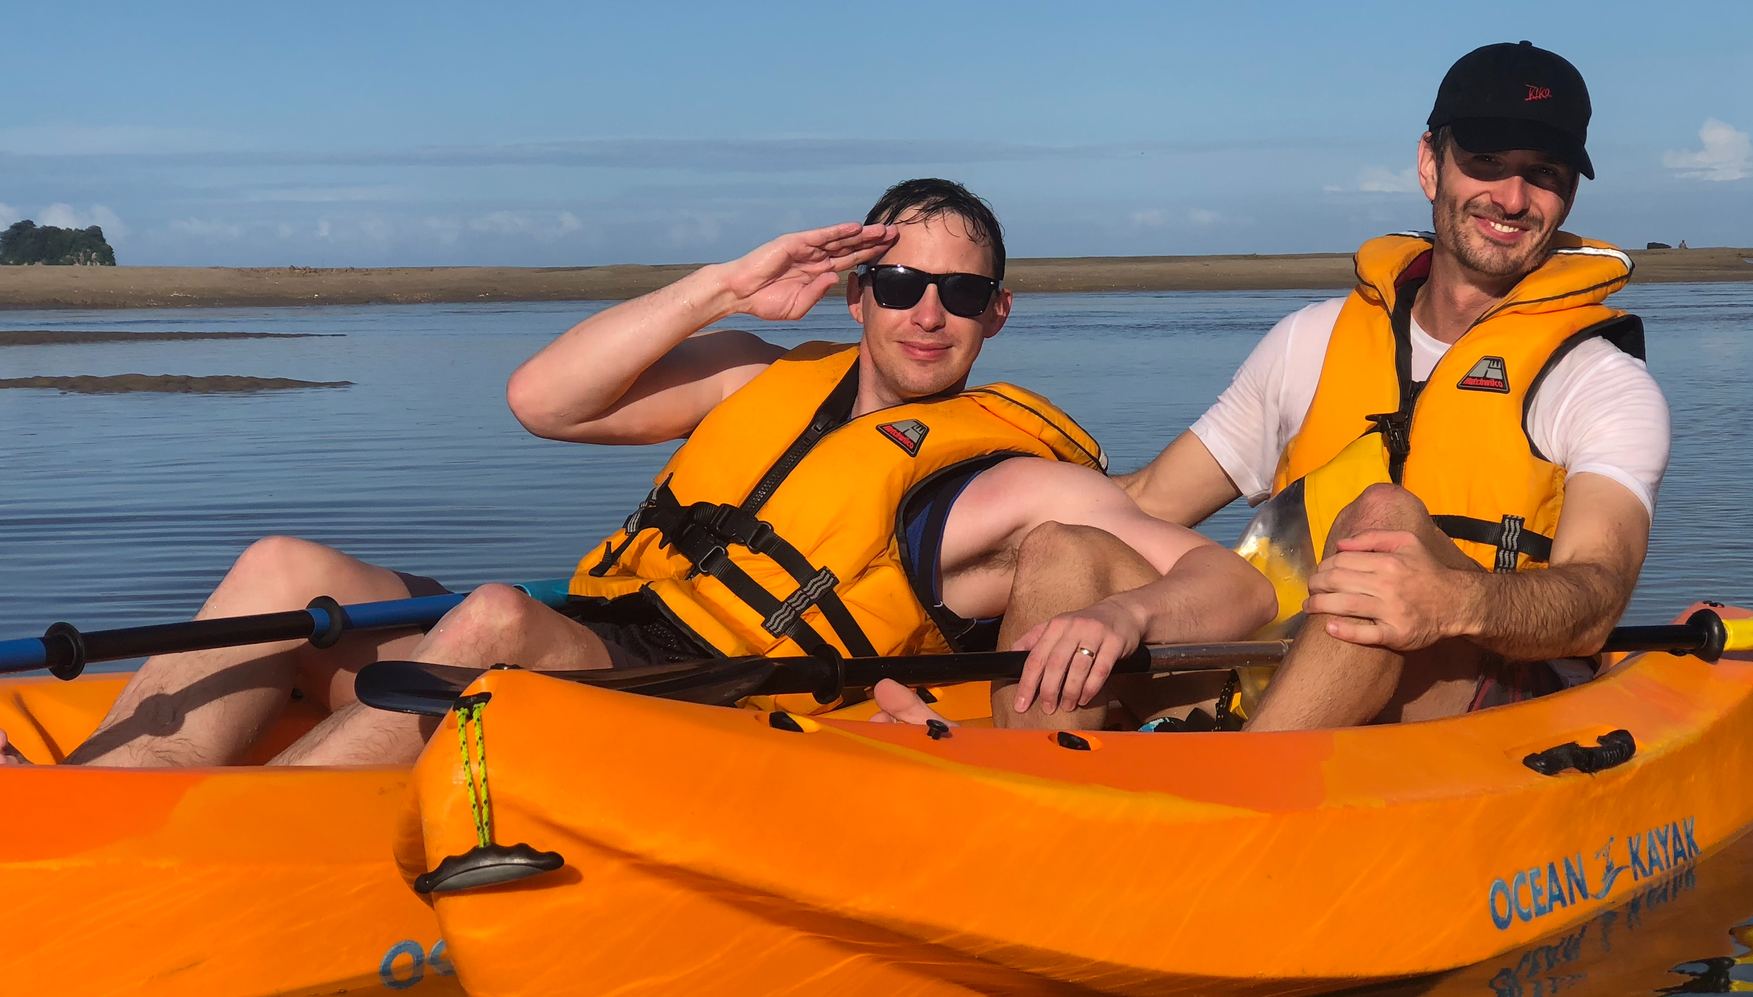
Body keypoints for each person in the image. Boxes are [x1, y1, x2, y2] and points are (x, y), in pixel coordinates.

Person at [19, 179, 1271, 768]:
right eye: (897, 284)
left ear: (997, 315)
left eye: (958, 294)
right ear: (854, 292)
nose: (924, 313)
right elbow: (538, 400)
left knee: (499, 619)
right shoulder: (753, 376)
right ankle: (104, 807)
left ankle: (250, 847)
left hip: (724, 701)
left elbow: (1234, 591)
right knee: (285, 566)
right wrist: (724, 286)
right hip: (615, 635)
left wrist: (1119, 612)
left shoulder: (1015, 480)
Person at [1114, 41, 1670, 732]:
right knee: (1066, 551)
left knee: (1384, 521)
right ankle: (1027, 797)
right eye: (1487, 163)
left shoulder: (1599, 382)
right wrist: (988, 499)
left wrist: (1455, 601)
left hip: (1478, 695)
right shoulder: (1309, 341)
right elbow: (1145, 505)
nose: (1513, 198)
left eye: (1544, 173)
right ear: (1429, 165)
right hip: (1279, 671)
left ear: (1569, 194)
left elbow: (1599, 594)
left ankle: (1245, 797)